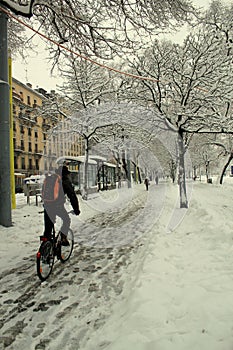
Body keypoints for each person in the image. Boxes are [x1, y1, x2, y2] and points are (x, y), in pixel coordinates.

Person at [43, 165, 80, 246]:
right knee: (66, 220)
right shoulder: (64, 181)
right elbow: (72, 196)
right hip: (57, 206)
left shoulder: (51, 178)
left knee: (48, 227)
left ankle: (45, 246)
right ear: (66, 174)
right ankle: (63, 238)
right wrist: (76, 209)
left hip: (47, 205)